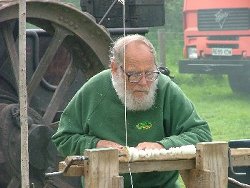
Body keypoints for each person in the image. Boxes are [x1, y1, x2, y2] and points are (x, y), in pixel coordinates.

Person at [52, 34, 212, 188]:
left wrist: (162, 146)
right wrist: (96, 144)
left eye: (149, 73)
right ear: (115, 68)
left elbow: (201, 134)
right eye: (134, 74)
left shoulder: (164, 88)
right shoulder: (95, 90)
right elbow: (63, 138)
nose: (144, 82)